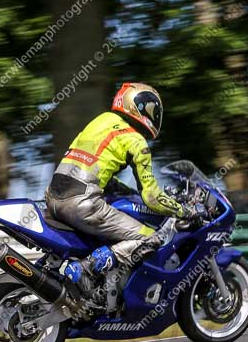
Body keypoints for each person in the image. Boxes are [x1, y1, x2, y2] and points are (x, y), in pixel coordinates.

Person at [45, 82, 192, 293]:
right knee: (151, 238)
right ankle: (86, 268)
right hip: (81, 204)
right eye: (149, 108)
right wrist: (182, 210)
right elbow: (152, 197)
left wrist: (129, 193)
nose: (153, 114)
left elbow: (99, 174)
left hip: (53, 196)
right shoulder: (136, 140)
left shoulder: (101, 120)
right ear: (136, 105)